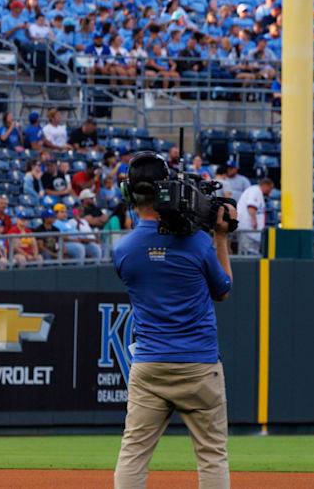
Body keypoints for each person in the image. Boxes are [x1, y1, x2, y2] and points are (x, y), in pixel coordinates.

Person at [112, 152, 235, 489]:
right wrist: (220, 236)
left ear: (128, 195)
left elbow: (151, 244)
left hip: (150, 365)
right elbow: (223, 290)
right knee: (212, 455)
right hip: (199, 364)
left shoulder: (123, 250)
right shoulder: (197, 242)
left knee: (133, 453)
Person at [235, 176, 273, 256]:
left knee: (253, 254)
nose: (270, 191)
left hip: (251, 231)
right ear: (265, 185)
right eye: (270, 188)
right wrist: (254, 221)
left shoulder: (257, 191)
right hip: (248, 230)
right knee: (248, 255)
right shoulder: (255, 190)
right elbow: (251, 206)